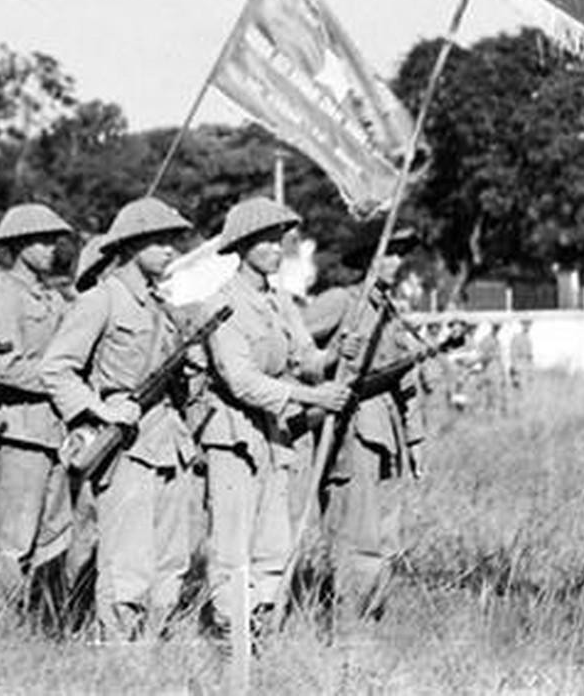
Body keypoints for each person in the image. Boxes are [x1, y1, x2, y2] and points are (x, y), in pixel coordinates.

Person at [39, 197, 199, 642]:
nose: (171, 249)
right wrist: (100, 409)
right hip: (125, 446)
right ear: (130, 245)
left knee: (171, 561)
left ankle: (150, 647)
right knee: (127, 562)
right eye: (160, 240)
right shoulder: (102, 300)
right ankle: (119, 659)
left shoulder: (161, 307)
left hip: (169, 441)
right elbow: (56, 367)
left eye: (174, 241)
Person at [196, 199, 347, 637]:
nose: (274, 249)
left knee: (273, 543)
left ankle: (262, 628)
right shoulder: (220, 304)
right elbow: (240, 381)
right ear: (241, 246)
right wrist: (310, 395)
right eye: (263, 240)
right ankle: (230, 635)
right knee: (232, 544)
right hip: (234, 437)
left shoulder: (280, 302)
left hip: (276, 438)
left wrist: (340, 351)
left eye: (278, 240)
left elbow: (307, 359)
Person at [300, 229, 427, 621]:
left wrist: (416, 438)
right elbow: (290, 348)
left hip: (387, 434)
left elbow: (405, 380)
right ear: (368, 258)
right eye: (388, 254)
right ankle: (349, 620)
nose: (396, 262)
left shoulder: (389, 310)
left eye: (399, 255)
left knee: (384, 534)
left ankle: (372, 612)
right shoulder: (342, 302)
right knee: (356, 532)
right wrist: (329, 357)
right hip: (352, 431)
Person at [0, 202, 76, 608]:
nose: (52, 248)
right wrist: (58, 379)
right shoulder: (6, 297)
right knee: (14, 540)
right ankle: (3, 623)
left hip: (53, 432)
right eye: (42, 240)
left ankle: (40, 620)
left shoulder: (52, 297)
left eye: (55, 240)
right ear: (18, 245)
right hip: (19, 433)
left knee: (53, 535)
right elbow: (1, 367)